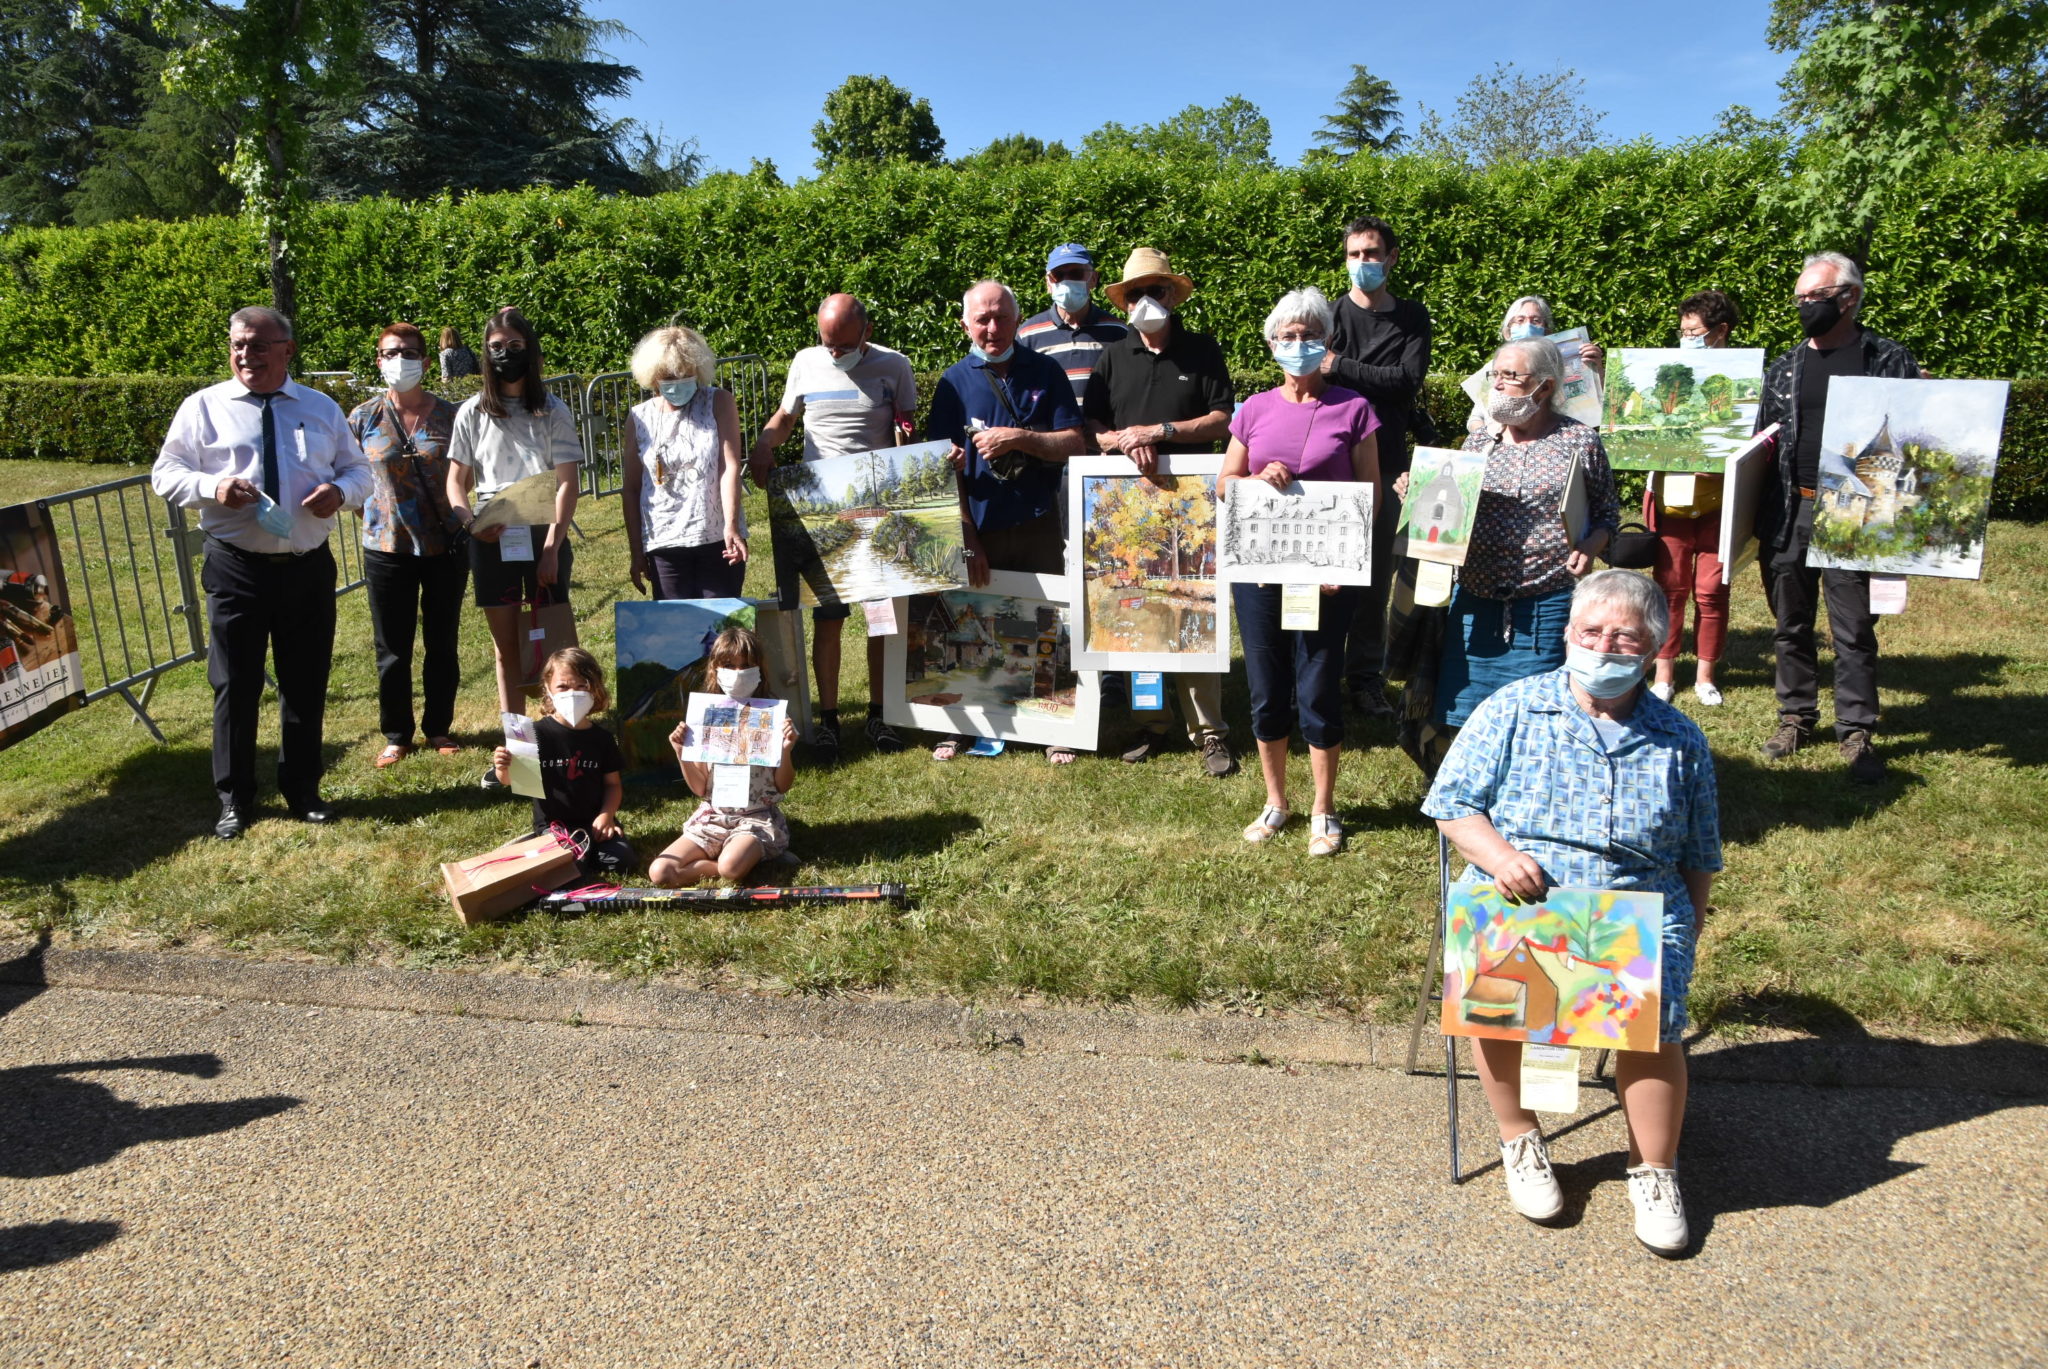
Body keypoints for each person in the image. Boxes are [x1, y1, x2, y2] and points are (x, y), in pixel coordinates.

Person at [1423, 570, 1721, 1256]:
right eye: (1591, 632)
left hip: (1634, 906)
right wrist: (1500, 858)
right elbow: (1453, 805)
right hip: (1522, 898)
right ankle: (1519, 1137)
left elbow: (1699, 853)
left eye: (1625, 637)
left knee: (1657, 1023)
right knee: (1498, 996)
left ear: (1656, 646)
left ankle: (1654, 1170)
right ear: (1567, 635)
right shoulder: (1512, 708)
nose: (1604, 647)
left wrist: (1689, 928)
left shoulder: (1681, 738)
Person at [151, 305, 372, 839]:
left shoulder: (320, 407)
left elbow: (360, 470)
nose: (246, 354)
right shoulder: (204, 407)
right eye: (238, 345)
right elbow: (166, 473)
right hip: (236, 567)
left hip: (306, 567)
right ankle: (235, 799)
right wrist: (212, 487)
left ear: (287, 350)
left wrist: (340, 491)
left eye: (258, 344)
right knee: (235, 684)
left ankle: (303, 789)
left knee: (305, 681)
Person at [1220, 288, 1382, 856]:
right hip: (1260, 574)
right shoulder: (1253, 409)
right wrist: (1254, 478)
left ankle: (1323, 806)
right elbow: (1224, 484)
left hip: (1326, 577)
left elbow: (1370, 494)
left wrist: (1345, 562)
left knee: (1318, 686)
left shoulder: (1354, 409)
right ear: (1271, 345)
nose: (1298, 344)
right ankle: (1275, 800)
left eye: (1309, 335)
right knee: (1266, 688)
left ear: (1328, 341)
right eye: (1287, 336)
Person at [1753, 252, 1920, 784]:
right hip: (1790, 508)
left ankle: (1855, 729)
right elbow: (1760, 439)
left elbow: (1917, 439)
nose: (1806, 306)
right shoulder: (1785, 366)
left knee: (1853, 628)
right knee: (1790, 624)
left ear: (1849, 298)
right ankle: (1795, 717)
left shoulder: (1887, 359)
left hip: (1856, 511)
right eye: (1800, 298)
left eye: (1816, 297)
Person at [1082, 247, 1237, 777]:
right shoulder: (1112, 357)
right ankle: (1150, 723)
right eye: (1136, 293)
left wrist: (1161, 432)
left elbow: (1222, 418)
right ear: (1124, 302)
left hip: (1193, 506)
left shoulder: (1201, 350)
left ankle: (1209, 732)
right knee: (1138, 615)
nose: (1146, 300)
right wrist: (1122, 441)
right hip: (1131, 506)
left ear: (1172, 295)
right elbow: (1093, 427)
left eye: (1156, 290)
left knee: (1198, 617)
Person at [749, 294, 918, 763]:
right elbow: (786, 418)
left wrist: (909, 450)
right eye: (828, 344)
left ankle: (880, 714)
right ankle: (828, 721)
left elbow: (906, 429)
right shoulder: (806, 362)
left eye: (844, 345)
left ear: (867, 332)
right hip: (820, 511)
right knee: (828, 618)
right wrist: (764, 444)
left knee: (881, 619)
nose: (835, 353)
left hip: (876, 511)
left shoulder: (895, 366)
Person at [925, 280, 1087, 763]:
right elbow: (939, 470)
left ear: (1018, 320)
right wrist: (966, 536)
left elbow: (1074, 442)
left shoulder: (1045, 370)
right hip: (980, 525)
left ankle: (1054, 718)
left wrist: (1019, 438)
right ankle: (958, 723)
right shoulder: (953, 383)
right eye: (982, 319)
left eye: (1001, 317)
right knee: (968, 623)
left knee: (1046, 621)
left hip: (1038, 521)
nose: (992, 327)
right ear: (965, 325)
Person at [1432, 338, 1619, 753]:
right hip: (1474, 601)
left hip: (1546, 602)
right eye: (1494, 375)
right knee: (1468, 720)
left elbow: (1608, 514)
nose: (1498, 385)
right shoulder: (1478, 444)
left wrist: (1591, 544)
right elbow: (1446, 511)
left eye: (1510, 376)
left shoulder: (1578, 441)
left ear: (1545, 387)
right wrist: (1419, 494)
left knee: (1538, 718)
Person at [445, 307, 582, 720]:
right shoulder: (471, 411)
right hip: (492, 536)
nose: (506, 353)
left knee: (552, 641)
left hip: (544, 534)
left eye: (516, 345)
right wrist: (471, 525)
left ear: (530, 349)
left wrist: (552, 548)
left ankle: (560, 727)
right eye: (497, 346)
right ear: (485, 353)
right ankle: (518, 737)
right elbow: (455, 482)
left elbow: (567, 482)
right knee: (505, 646)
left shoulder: (553, 410)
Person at [1326, 215, 1434, 722]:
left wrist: (1341, 367)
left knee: (1373, 581)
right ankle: (1319, 672)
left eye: (1371, 253)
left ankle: (1365, 678)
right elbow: (1320, 385)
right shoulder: (1329, 316)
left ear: (1391, 258)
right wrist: (1366, 378)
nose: (1362, 262)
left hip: (1388, 464)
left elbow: (1406, 381)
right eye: (1354, 254)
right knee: (1324, 574)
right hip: (1331, 465)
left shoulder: (1412, 317)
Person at [348, 321, 468, 768]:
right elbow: (351, 477)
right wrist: (378, 519)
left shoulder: (452, 416)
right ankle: (397, 734)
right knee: (392, 647)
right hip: (387, 550)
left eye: (410, 353)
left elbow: (467, 475)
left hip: (445, 546)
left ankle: (439, 727)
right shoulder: (363, 417)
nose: (401, 360)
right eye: (392, 352)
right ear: (379, 360)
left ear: (425, 360)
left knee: (442, 641)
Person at [1645, 290, 1741, 706]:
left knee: (1712, 589)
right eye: (1683, 331)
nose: (1687, 338)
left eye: (1694, 332)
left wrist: (1726, 462)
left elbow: (1756, 436)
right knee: (1669, 587)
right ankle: (1663, 674)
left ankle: (1705, 676)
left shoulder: (1743, 377)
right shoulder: (1664, 373)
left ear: (1721, 332)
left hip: (1721, 501)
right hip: (1672, 499)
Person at [650, 627, 798, 886]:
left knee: (730, 868)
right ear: (715, 670)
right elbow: (700, 788)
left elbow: (782, 785)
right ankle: (747, 858)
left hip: (755, 818)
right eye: (729, 665)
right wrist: (681, 753)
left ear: (759, 670)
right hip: (713, 817)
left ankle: (747, 854)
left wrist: (786, 750)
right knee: (660, 872)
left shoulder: (772, 716)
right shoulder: (704, 716)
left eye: (746, 666)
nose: (738, 673)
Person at [622, 325, 747, 601]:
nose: (677, 381)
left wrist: (731, 526)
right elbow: (631, 488)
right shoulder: (638, 417)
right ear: (653, 377)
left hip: (717, 537)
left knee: (721, 624)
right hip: (663, 542)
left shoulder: (719, 402)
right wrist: (636, 551)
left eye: (684, 374)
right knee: (676, 625)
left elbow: (729, 466)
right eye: (668, 376)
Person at [491, 646, 633, 877]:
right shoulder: (532, 734)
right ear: (548, 688)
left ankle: (583, 851)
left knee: (622, 860)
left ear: (595, 689)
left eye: (581, 686)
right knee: (571, 864)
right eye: (563, 687)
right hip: (554, 826)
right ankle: (568, 852)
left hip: (595, 823)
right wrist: (502, 767)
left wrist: (606, 816)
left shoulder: (603, 739)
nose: (572, 693)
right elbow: (509, 780)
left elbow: (613, 784)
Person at [1465, 297, 1605, 436]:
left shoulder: (1562, 363)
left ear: (1546, 330)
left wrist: (1596, 368)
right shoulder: (1494, 368)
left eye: (1536, 321)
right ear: (1508, 330)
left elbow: (1606, 404)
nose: (1528, 326)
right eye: (1520, 320)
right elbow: (1475, 419)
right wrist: (1490, 437)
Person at [1018, 243, 1130, 403]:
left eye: (1076, 273)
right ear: (1048, 283)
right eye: (1058, 275)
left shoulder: (1117, 331)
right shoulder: (1028, 334)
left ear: (1093, 279)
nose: (1066, 281)